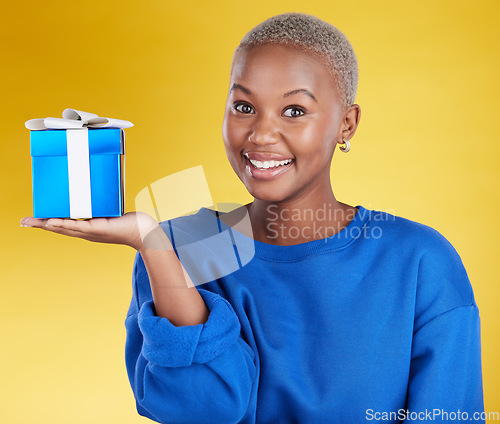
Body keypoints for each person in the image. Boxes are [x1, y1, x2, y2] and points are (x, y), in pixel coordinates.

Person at [21, 12, 484, 424]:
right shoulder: (180, 244)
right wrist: (153, 244)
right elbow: (203, 411)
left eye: (294, 110)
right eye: (244, 107)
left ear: (347, 124)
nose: (261, 133)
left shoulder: (419, 261)